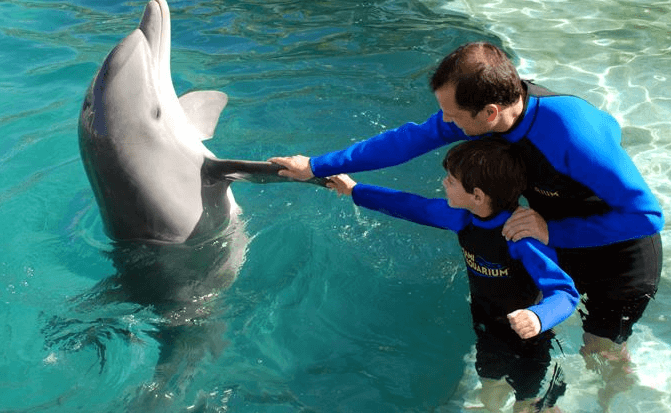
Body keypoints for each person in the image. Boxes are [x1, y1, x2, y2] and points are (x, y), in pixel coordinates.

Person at [269, 41, 664, 408]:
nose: (444, 122)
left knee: (599, 349)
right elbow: (405, 141)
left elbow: (646, 216)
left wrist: (552, 232)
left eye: (452, 115)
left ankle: (619, 395)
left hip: (618, 255)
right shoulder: (483, 114)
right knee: (542, 321)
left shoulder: (572, 131)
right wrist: (317, 166)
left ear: (489, 113)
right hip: (545, 231)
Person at [326, 138, 578, 412]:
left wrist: (538, 317)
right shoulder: (463, 217)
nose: (444, 183)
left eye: (451, 180)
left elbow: (565, 292)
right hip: (487, 324)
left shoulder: (520, 237)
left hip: (530, 337)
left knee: (526, 400)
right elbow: (411, 206)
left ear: (478, 196)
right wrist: (355, 190)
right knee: (489, 383)